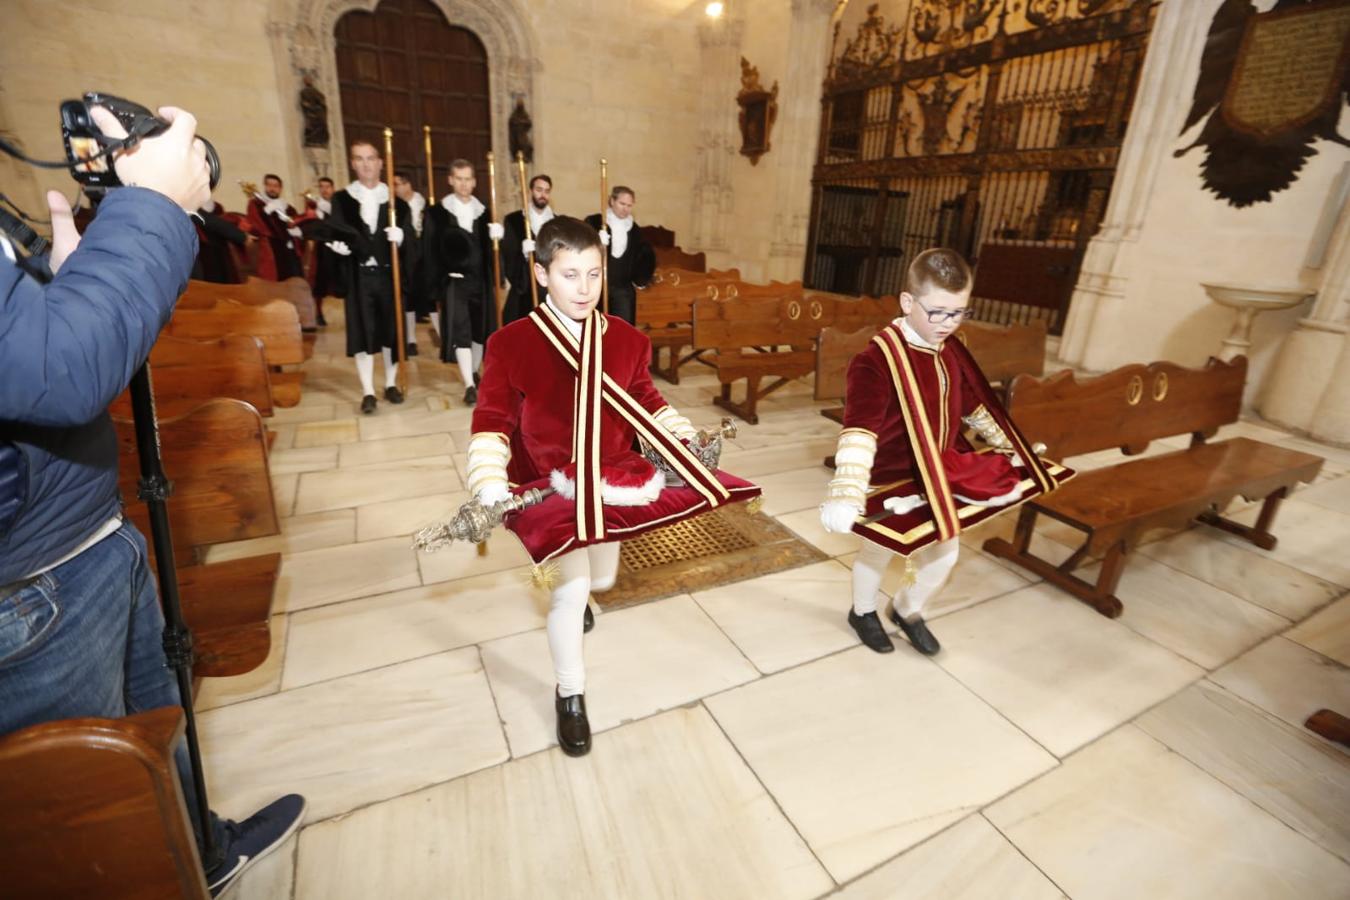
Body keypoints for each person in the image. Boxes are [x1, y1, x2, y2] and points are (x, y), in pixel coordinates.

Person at [0, 103, 304, 897]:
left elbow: (29, 356)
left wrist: (66, 292)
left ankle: (200, 850)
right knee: (81, 825)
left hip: (79, 534)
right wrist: (149, 207)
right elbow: (59, 375)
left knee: (151, 722)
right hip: (29, 585)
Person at [466, 216, 759, 756]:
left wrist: (683, 438)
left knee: (601, 582)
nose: (584, 289)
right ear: (540, 274)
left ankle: (578, 601)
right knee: (571, 589)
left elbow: (647, 400)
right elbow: (491, 419)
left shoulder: (625, 339)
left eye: (594, 275)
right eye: (570, 275)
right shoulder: (511, 343)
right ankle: (570, 693)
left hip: (616, 477)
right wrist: (488, 482)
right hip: (551, 486)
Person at [818, 248, 1068, 655]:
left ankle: (906, 608)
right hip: (889, 475)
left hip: (940, 470)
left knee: (946, 552)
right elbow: (859, 429)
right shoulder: (876, 359)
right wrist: (846, 490)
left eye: (959, 312)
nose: (948, 324)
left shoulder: (950, 349)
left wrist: (1012, 447)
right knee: (877, 552)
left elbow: (973, 407)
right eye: (937, 311)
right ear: (907, 302)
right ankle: (863, 611)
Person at [325, 140, 411, 414]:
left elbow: (415, 249)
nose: (366, 164)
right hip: (358, 276)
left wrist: (403, 239)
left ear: (380, 162)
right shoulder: (342, 200)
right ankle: (368, 391)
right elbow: (335, 233)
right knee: (363, 332)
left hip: (389, 277)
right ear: (352, 163)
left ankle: (390, 384)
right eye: (359, 159)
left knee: (391, 331)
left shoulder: (398, 204)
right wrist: (337, 250)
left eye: (371, 158)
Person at [424, 158, 501, 404]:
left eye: (468, 179)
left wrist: (496, 239)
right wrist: (437, 283)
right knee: (462, 331)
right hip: (454, 282)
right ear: (450, 180)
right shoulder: (437, 213)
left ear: (475, 181)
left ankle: (474, 371)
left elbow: (490, 254)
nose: (464, 184)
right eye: (459, 179)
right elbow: (430, 250)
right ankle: (468, 384)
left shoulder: (486, 213)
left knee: (480, 331)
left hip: (481, 281)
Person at [584, 185, 655, 326]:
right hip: (597, 286)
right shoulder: (595, 222)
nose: (626, 209)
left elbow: (643, 257)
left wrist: (641, 278)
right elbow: (580, 249)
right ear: (612, 201)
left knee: (623, 330)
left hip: (623, 288)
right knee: (595, 328)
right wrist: (596, 241)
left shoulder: (635, 229)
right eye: (622, 204)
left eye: (629, 205)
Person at [499, 172, 555, 324]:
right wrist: (522, 253)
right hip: (523, 288)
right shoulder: (513, 220)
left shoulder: (557, 223)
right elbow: (508, 256)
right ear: (531, 191)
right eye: (539, 190)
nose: (542, 194)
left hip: (548, 290)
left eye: (546, 191)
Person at [392, 170, 430, 357]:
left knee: (429, 299)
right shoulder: (395, 207)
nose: (394, 188)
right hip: (405, 256)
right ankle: (410, 340)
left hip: (424, 255)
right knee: (407, 299)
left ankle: (443, 336)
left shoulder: (424, 203)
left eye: (397, 184)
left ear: (407, 184)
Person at [246, 173, 304, 281]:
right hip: (270, 245)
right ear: (265, 186)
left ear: (280, 188)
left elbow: (296, 221)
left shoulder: (288, 207)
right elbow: (255, 223)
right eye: (269, 185)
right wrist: (266, 211)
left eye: (276, 186)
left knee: (294, 276)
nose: (272, 188)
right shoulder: (256, 204)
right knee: (274, 277)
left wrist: (296, 230)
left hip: (288, 245)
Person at [306, 175, 339, 326]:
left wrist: (331, 213)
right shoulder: (314, 206)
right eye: (322, 187)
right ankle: (318, 314)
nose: (325, 190)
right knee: (319, 282)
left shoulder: (339, 204)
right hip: (321, 248)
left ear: (333, 188)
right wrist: (316, 216)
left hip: (339, 247)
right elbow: (310, 228)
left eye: (328, 187)